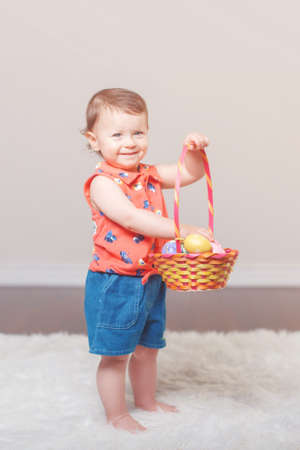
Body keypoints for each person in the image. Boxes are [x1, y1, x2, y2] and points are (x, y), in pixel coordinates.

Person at [81, 88, 212, 433]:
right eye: (117, 134)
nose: (129, 142)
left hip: (152, 277)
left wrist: (194, 152)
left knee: (148, 348)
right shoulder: (103, 183)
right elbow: (133, 219)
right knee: (116, 354)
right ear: (94, 140)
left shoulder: (150, 173)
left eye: (138, 132)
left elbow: (189, 173)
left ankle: (146, 401)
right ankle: (116, 414)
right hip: (117, 281)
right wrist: (181, 230)